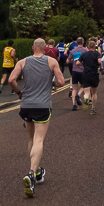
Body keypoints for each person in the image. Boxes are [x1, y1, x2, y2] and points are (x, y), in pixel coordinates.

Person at [9, 39, 65, 197]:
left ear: (33, 48)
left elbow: (10, 80)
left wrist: (19, 93)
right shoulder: (52, 61)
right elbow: (61, 82)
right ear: (45, 49)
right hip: (42, 105)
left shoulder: (22, 61)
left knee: (31, 139)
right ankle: (32, 174)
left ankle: (37, 170)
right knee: (39, 140)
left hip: (26, 104)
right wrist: (50, 82)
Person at [79, 39, 102, 115]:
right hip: (94, 74)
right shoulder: (97, 54)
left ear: (88, 46)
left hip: (86, 74)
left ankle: (86, 99)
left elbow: (77, 62)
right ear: (95, 46)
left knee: (86, 92)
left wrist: (83, 64)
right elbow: (99, 61)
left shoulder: (84, 55)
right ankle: (93, 109)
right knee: (94, 92)